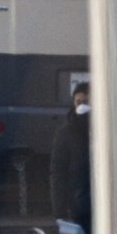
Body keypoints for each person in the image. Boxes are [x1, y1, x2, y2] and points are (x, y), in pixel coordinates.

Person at [49, 82, 91, 225]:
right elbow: (58, 173)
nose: (81, 106)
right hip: (78, 202)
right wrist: (60, 212)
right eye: (78, 102)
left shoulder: (108, 128)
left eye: (86, 102)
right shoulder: (65, 133)